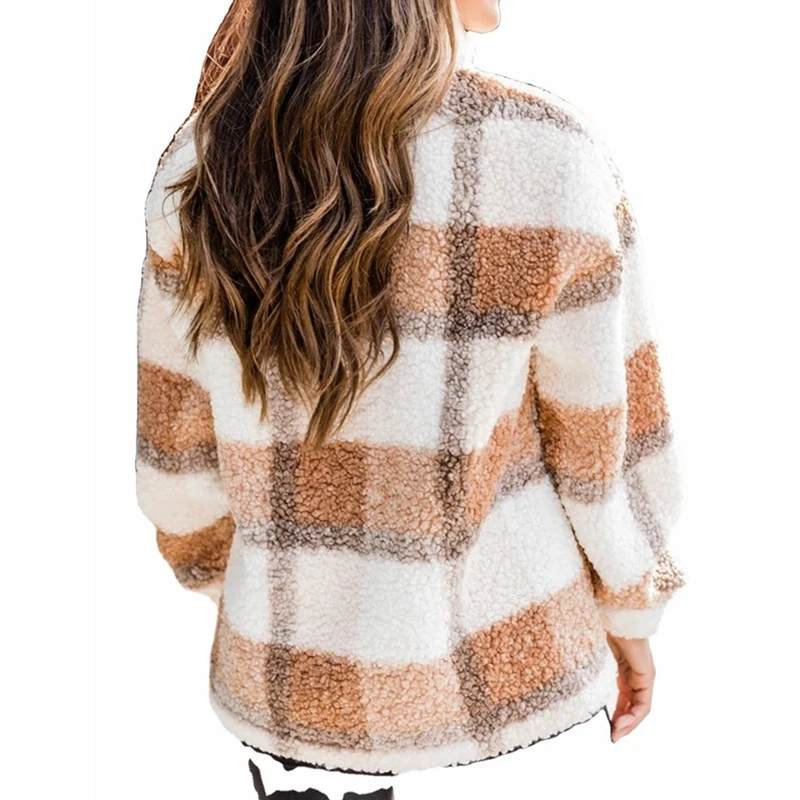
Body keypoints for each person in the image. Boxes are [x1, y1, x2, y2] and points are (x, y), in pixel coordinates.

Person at [135, 0, 688, 797]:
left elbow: (178, 475)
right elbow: (605, 449)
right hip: (517, 707)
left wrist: (284, 597)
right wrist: (633, 611)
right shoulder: (548, 153)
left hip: (290, 710)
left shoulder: (200, 163)